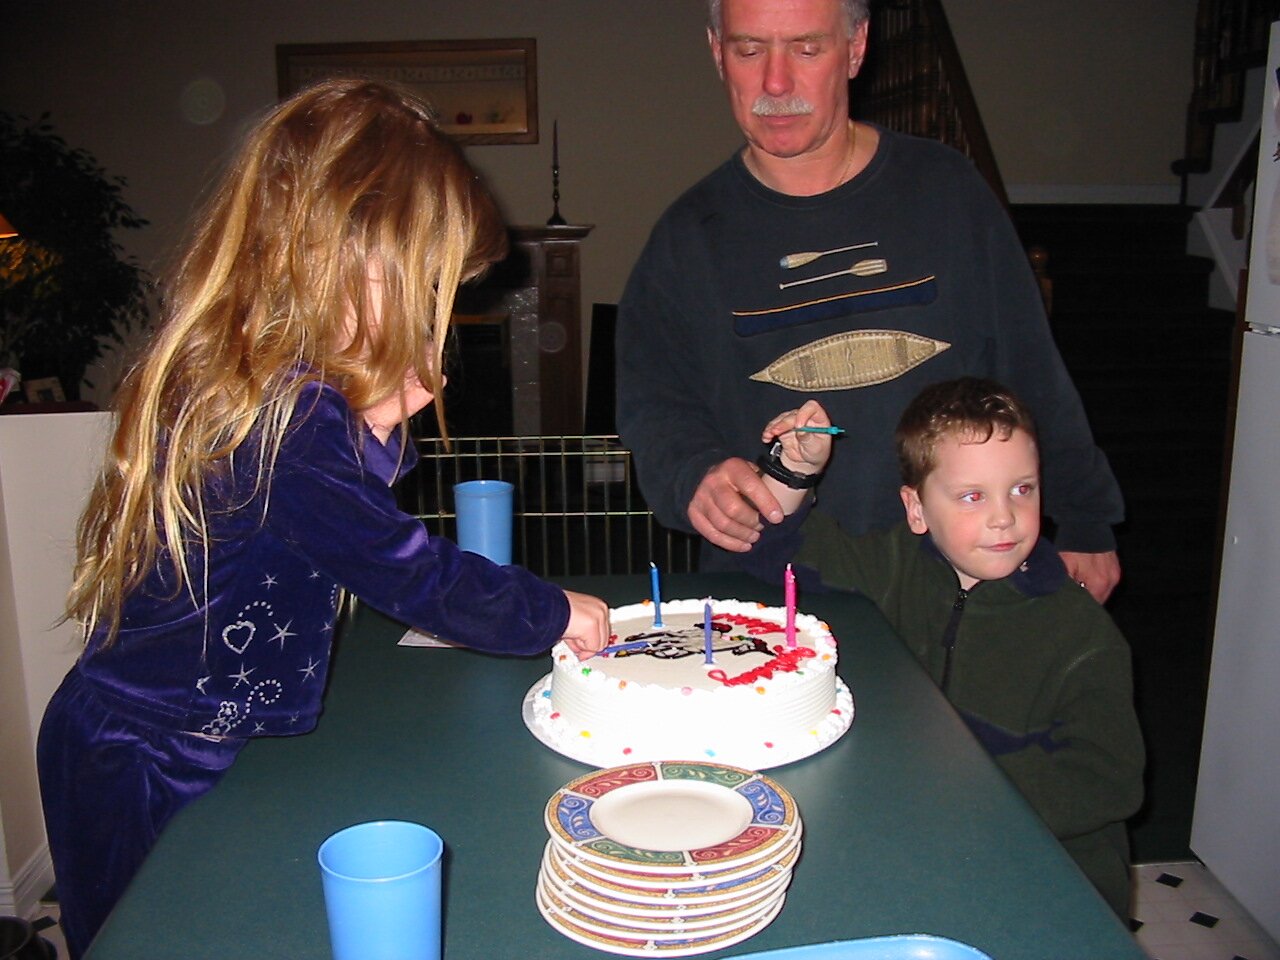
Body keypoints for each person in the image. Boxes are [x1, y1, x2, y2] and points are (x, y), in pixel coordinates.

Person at [36, 78, 610, 960]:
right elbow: (401, 565)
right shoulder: (289, 412)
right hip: (138, 758)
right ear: (343, 254)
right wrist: (549, 610)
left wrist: (378, 421)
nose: (432, 313)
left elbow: (335, 517)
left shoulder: (281, 389)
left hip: (191, 736)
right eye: (425, 283)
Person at [615, 0, 1124, 603]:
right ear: (716, 53)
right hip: (772, 591)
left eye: (807, 49)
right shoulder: (686, 238)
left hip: (957, 581)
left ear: (856, 47)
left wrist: (1085, 518)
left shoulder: (946, 190)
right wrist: (694, 474)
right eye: (749, 50)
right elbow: (654, 404)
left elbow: (1030, 367)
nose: (775, 82)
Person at [748, 378, 1145, 916]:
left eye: (1022, 489)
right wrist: (794, 471)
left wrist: (955, 787)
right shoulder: (894, 566)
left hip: (1046, 881)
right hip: (920, 850)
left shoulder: (1083, 637)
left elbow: (1109, 780)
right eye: (972, 496)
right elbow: (782, 556)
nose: (1004, 516)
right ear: (916, 509)